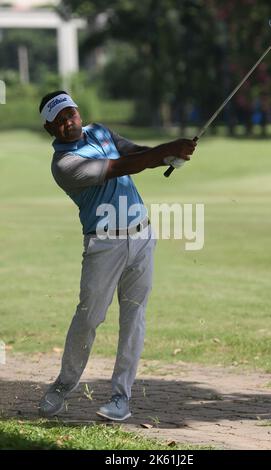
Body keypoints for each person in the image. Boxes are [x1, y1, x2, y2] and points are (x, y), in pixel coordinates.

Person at [38, 90, 196, 421]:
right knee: (89, 318)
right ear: (50, 129)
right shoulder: (64, 165)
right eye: (61, 120)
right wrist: (165, 151)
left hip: (142, 238)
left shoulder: (99, 131)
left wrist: (168, 157)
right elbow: (121, 166)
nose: (70, 122)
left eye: (72, 114)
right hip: (103, 246)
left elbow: (135, 152)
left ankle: (120, 397)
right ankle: (63, 385)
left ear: (78, 112)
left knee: (133, 318)